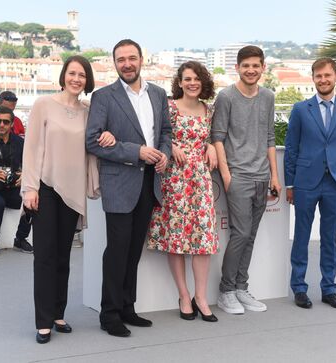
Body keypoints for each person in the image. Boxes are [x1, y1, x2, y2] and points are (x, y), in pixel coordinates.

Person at [22, 55, 115, 344]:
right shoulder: (44, 106)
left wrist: (108, 136)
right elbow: (32, 146)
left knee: (64, 256)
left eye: (82, 75)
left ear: (87, 80)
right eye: (72, 73)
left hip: (73, 193)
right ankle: (42, 321)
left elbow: (94, 144)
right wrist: (30, 187)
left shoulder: (89, 112)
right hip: (47, 188)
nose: (76, 79)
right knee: (45, 257)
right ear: (63, 76)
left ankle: (57, 313)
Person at [86, 39, 172, 338]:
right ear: (115, 63)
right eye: (120, 59)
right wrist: (136, 151)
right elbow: (93, 140)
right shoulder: (104, 97)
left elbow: (165, 132)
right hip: (120, 184)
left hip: (150, 183)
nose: (126, 64)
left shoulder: (158, 94)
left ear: (141, 60)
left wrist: (164, 154)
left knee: (134, 250)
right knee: (117, 251)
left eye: (131, 58)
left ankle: (127, 307)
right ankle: (109, 314)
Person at [284, 57, 336, 310]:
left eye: (327, 75)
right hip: (306, 182)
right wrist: (290, 185)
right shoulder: (300, 109)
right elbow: (292, 149)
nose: (323, 80)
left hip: (335, 183)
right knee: (302, 237)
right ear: (313, 78)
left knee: (330, 238)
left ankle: (329, 289)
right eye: (318, 76)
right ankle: (299, 287)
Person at [212, 45, 281, 315]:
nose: (251, 70)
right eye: (246, 66)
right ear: (237, 68)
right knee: (240, 234)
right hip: (238, 176)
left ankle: (241, 287)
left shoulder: (268, 96)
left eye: (256, 65)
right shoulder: (226, 96)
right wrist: (227, 176)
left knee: (250, 235)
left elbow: (270, 138)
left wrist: (275, 175)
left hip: (262, 176)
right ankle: (226, 291)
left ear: (263, 67)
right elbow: (217, 137)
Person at [147, 61, 219, 322]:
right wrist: (172, 145)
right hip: (174, 180)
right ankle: (184, 295)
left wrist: (210, 146)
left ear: (203, 82)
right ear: (179, 82)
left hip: (200, 180)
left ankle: (201, 296)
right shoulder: (169, 108)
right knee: (176, 239)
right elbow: (155, 135)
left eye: (196, 79)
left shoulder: (208, 110)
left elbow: (211, 138)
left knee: (203, 240)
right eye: (187, 79)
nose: (192, 83)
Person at [0, 105, 33, 256]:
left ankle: (21, 238)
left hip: (13, 186)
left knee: (33, 199)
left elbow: (30, 163)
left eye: (6, 122)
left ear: (12, 124)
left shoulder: (19, 142)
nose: (1, 125)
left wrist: (25, 175)